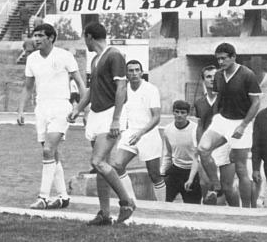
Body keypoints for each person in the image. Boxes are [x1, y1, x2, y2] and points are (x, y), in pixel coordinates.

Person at [67, 22, 135, 225]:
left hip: (110, 115)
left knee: (97, 161)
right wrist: (78, 109)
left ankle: (126, 202)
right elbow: (92, 89)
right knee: (100, 167)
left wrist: (116, 119)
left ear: (89, 37)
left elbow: (122, 88)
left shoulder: (114, 55)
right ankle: (105, 214)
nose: (84, 42)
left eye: (84, 38)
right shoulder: (96, 59)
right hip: (97, 115)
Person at [17, 24, 86, 209]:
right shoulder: (31, 59)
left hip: (61, 107)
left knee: (48, 150)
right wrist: (21, 110)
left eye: (40, 35)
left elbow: (80, 83)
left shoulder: (65, 56)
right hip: (41, 108)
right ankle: (63, 197)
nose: (36, 39)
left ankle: (43, 197)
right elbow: (28, 87)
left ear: (51, 38)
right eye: (35, 35)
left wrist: (81, 108)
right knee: (53, 154)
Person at [197, 43, 261, 208]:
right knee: (203, 149)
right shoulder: (218, 76)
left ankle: (246, 209)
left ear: (233, 57)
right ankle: (216, 185)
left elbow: (256, 103)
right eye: (218, 59)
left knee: (240, 169)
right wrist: (215, 118)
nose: (220, 62)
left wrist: (243, 126)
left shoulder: (247, 75)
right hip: (222, 120)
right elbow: (219, 99)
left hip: (241, 121)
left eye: (224, 58)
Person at [111, 60, 166, 202]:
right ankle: (131, 200)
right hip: (130, 133)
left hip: (149, 134)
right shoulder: (123, 90)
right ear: (126, 74)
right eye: (130, 70)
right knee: (117, 165)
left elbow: (156, 117)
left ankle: (162, 206)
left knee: (154, 174)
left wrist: (141, 133)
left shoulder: (151, 89)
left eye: (137, 70)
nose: (134, 73)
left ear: (142, 72)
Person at [194, 65, 239, 206]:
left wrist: (233, 147)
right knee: (205, 183)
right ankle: (208, 217)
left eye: (215, 76)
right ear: (203, 80)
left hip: (224, 145)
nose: (212, 79)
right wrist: (198, 145)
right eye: (208, 77)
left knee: (228, 188)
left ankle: (239, 213)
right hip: (207, 147)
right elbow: (200, 125)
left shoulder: (228, 100)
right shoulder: (199, 102)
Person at [161, 100, 202, 204]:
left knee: (192, 207)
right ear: (173, 112)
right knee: (163, 201)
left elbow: (198, 157)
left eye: (183, 112)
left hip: (192, 171)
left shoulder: (195, 129)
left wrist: (191, 179)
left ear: (187, 114)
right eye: (177, 112)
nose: (179, 115)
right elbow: (168, 153)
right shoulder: (168, 129)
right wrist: (162, 171)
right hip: (175, 170)